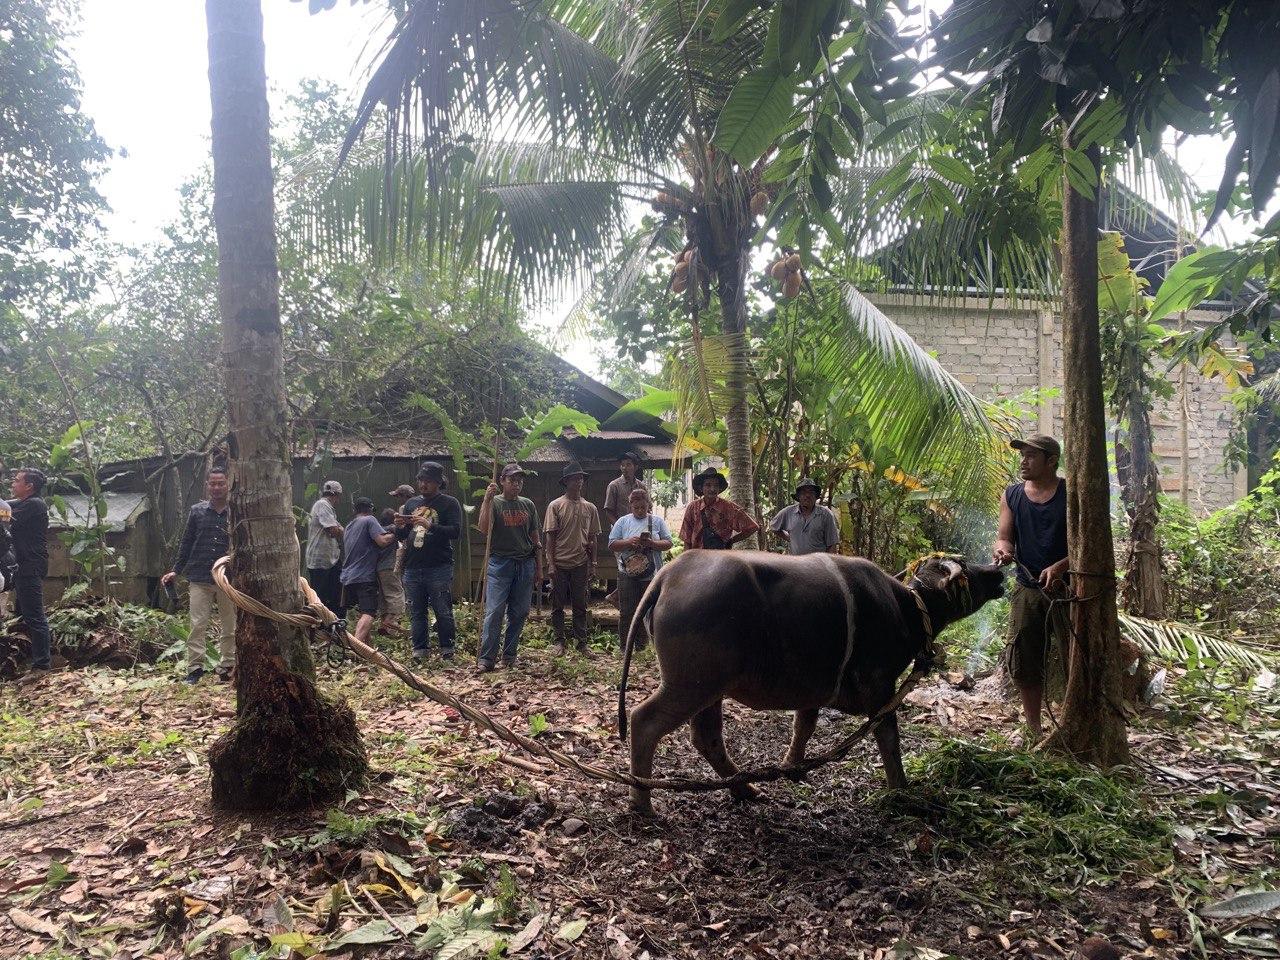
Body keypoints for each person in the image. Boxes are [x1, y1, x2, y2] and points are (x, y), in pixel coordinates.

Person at [992, 434, 1070, 741]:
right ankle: (1034, 727)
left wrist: (1061, 566)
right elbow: (1003, 536)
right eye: (1021, 456)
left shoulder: (1069, 493)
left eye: (1031, 456)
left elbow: (1087, 543)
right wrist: (1003, 549)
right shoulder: (1012, 494)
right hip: (1027, 588)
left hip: (1067, 590)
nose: (1023, 461)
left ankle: (1069, 723)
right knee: (1025, 659)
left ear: (1051, 461)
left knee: (1072, 657)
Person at [162, 467, 235, 684]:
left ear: (228, 484)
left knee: (229, 625)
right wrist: (177, 569)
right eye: (212, 483)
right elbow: (186, 542)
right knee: (197, 625)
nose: (216, 487)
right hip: (199, 576)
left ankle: (227, 667)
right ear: (207, 485)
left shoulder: (236, 511)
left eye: (220, 483)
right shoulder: (197, 511)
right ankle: (195, 669)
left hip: (227, 579)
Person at [476, 463, 542, 672]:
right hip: (500, 563)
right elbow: (484, 528)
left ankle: (509, 655)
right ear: (503, 481)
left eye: (519, 480)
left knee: (520, 611)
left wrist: (539, 567)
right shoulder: (494, 502)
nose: (516, 484)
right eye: (512, 480)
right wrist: (486, 500)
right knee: (495, 610)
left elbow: (535, 537)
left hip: (525, 562)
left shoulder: (528, 505)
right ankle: (487, 658)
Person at [395, 462, 462, 660]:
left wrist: (430, 525)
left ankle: (447, 649)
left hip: (439, 566)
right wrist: (399, 526)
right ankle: (420, 651)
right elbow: (403, 534)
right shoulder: (411, 503)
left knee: (442, 610)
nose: (423, 484)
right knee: (417, 611)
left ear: (439, 483)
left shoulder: (450, 503)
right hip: (413, 566)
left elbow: (456, 531)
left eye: (428, 481)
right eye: (421, 480)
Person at [544, 461, 601, 655]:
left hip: (580, 562)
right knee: (557, 604)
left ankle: (582, 642)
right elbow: (550, 537)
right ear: (566, 481)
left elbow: (593, 538)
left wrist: (593, 564)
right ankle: (559, 641)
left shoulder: (590, 508)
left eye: (581, 478)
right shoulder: (556, 505)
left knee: (580, 604)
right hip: (560, 562)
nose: (579, 481)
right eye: (575, 478)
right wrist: (550, 563)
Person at [609, 487, 673, 648]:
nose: (639, 511)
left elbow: (668, 543)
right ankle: (625, 646)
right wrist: (629, 542)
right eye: (636, 508)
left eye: (643, 507)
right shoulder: (623, 522)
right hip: (627, 573)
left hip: (651, 574)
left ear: (648, 505)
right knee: (627, 612)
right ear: (630, 506)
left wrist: (652, 543)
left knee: (647, 610)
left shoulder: (657, 521)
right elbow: (612, 544)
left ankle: (642, 646)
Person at [7, 468, 52, 674]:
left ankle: (42, 665)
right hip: (21, 567)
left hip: (30, 567)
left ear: (29, 486)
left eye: (17, 481)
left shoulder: (34, 504)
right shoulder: (25, 503)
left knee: (35, 616)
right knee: (22, 614)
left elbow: (3, 513)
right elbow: (7, 505)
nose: (12, 484)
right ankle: (26, 659)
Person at [341, 497, 395, 647]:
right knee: (369, 613)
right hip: (364, 576)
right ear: (370, 510)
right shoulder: (369, 520)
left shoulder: (349, 526)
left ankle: (368, 650)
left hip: (348, 577)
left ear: (354, 510)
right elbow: (382, 541)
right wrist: (395, 533)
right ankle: (355, 648)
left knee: (363, 612)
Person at [679, 467, 759, 550]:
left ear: (719, 488)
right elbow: (687, 538)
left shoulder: (728, 507)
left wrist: (731, 541)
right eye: (708, 485)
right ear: (701, 488)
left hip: (721, 558)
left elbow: (752, 527)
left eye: (716, 485)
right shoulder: (693, 507)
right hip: (698, 557)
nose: (712, 489)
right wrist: (687, 559)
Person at [768, 477, 840, 555]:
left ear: (816, 496)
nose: (807, 495)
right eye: (803, 492)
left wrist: (828, 565)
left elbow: (832, 544)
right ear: (798, 496)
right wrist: (790, 538)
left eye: (811, 492)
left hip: (818, 565)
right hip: (796, 564)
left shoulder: (825, 514)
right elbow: (773, 527)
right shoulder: (789, 512)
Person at [306, 480, 345, 619]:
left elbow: (336, 529)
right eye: (338, 496)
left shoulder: (325, 507)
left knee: (336, 591)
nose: (338, 500)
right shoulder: (323, 505)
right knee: (320, 595)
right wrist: (339, 529)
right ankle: (318, 623)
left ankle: (333, 621)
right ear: (335, 495)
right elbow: (334, 530)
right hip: (321, 559)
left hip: (330, 559)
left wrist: (338, 529)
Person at [375, 508, 406, 636]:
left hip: (378, 568)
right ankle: (390, 622)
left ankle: (385, 627)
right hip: (390, 566)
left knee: (384, 596)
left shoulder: (376, 531)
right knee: (396, 594)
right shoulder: (393, 529)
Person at [604, 451, 646, 526]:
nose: (624, 468)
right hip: (620, 529)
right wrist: (619, 527)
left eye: (628, 465)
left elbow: (647, 507)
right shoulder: (614, 485)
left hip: (638, 527)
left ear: (635, 467)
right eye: (622, 465)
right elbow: (608, 511)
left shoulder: (641, 486)